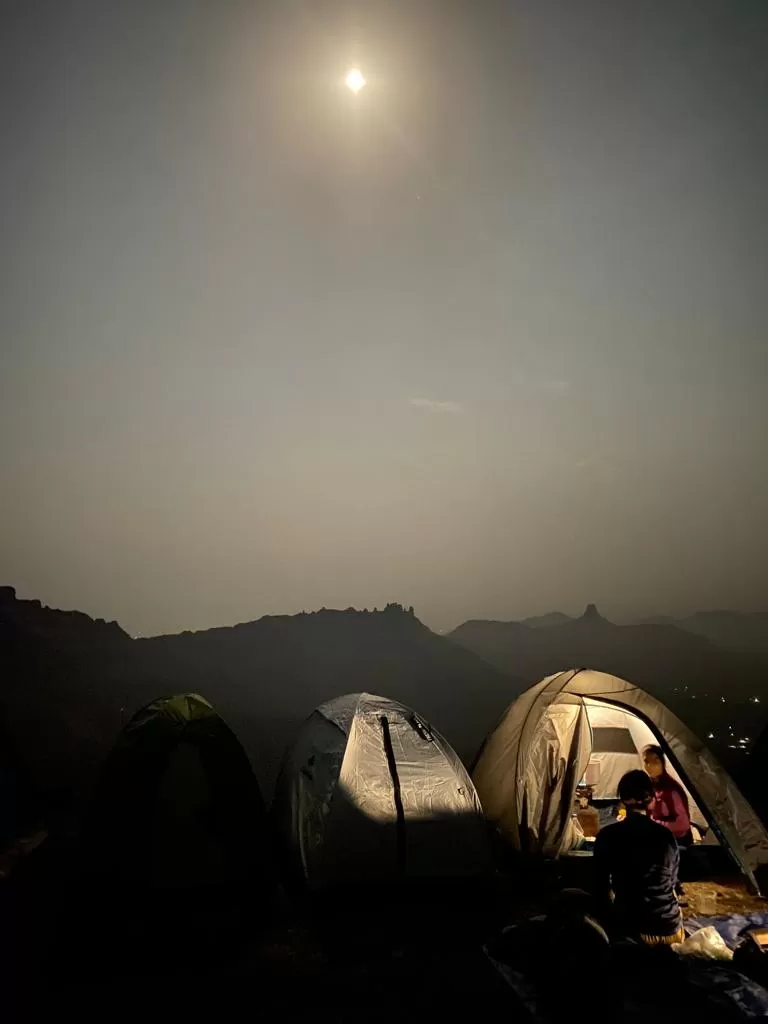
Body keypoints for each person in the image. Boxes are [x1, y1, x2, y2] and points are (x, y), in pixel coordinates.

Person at [593, 769, 684, 945]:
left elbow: (600, 888)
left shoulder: (608, 836)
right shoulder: (666, 836)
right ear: (651, 799)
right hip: (671, 930)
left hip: (634, 932)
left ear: (622, 800)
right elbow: (672, 883)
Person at [642, 744, 693, 846]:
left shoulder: (671, 789)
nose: (649, 766)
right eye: (647, 762)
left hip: (678, 843)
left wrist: (653, 823)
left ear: (662, 763)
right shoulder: (650, 786)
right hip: (661, 839)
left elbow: (683, 824)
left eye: (655, 762)